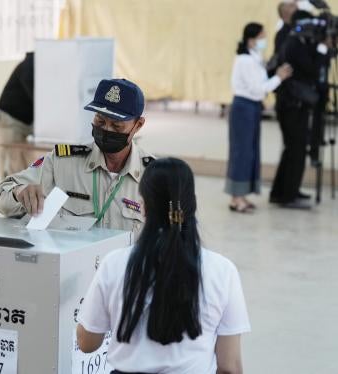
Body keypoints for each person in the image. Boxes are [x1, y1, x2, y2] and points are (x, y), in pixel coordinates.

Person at [77, 157, 251, 374]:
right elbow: (229, 367)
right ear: (192, 204)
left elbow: (87, 343)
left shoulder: (115, 264)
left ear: (143, 207)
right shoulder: (223, 271)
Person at [0, 78, 155, 237]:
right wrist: (18, 191)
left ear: (138, 125)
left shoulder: (153, 175)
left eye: (116, 126)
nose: (106, 129)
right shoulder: (62, 162)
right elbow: (1, 195)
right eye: (100, 120)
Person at [225, 23, 292, 213]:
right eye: (262, 36)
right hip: (243, 107)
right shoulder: (244, 59)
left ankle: (242, 195)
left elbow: (260, 84)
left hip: (253, 107)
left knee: (250, 153)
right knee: (241, 153)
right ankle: (235, 198)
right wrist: (279, 77)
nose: (264, 40)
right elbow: (257, 88)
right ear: (251, 38)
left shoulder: (255, 57)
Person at [269, 10, 330, 209]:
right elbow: (312, 70)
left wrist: (325, 47)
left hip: (295, 106)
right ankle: (287, 196)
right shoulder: (294, 44)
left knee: (291, 151)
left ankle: (282, 192)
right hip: (292, 106)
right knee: (295, 151)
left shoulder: (300, 41)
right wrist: (322, 49)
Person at [0, 52, 34, 179]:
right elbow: (35, 93)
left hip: (21, 122)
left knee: (20, 169)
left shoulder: (37, 63)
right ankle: (8, 198)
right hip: (9, 121)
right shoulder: (30, 64)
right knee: (10, 171)